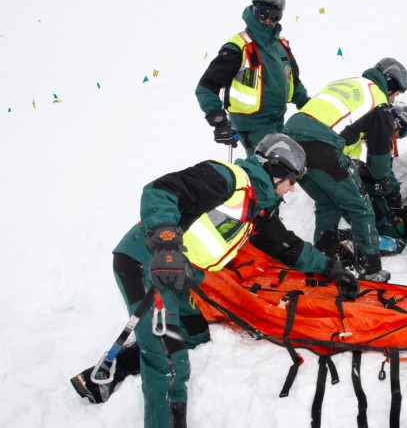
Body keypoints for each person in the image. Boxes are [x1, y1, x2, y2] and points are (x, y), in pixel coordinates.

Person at [70, 134, 359, 427]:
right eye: (292, 179)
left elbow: (287, 246)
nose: (293, 187)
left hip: (182, 274)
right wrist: (167, 247)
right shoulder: (227, 179)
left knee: (193, 333)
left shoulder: (259, 207)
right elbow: (160, 192)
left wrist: (333, 270)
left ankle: (108, 372)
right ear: (276, 171)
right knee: (172, 362)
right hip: (148, 263)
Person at [283, 57, 407, 282]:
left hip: (291, 138)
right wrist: (383, 179)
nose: (394, 98)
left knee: (327, 203)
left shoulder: (350, 84)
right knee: (361, 208)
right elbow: (379, 158)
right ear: (390, 85)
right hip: (321, 144)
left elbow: (342, 127)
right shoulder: (379, 104)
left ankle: (324, 258)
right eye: (396, 93)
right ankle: (369, 270)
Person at [195, 0, 310, 155]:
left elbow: (294, 82)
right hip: (251, 126)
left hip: (277, 123)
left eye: (274, 15)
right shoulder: (239, 46)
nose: (267, 20)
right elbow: (206, 86)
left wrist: (311, 109)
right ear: (253, 10)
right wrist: (219, 121)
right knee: (272, 169)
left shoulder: (281, 46)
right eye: (262, 13)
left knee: (290, 166)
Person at [343, 101, 407, 240]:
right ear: (396, 122)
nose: (400, 137)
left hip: (357, 179)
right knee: (381, 223)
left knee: (382, 208)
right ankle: (355, 237)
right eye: (404, 131)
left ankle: (365, 233)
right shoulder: (365, 129)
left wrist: (394, 194)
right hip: (341, 177)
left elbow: (385, 171)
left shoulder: (386, 141)